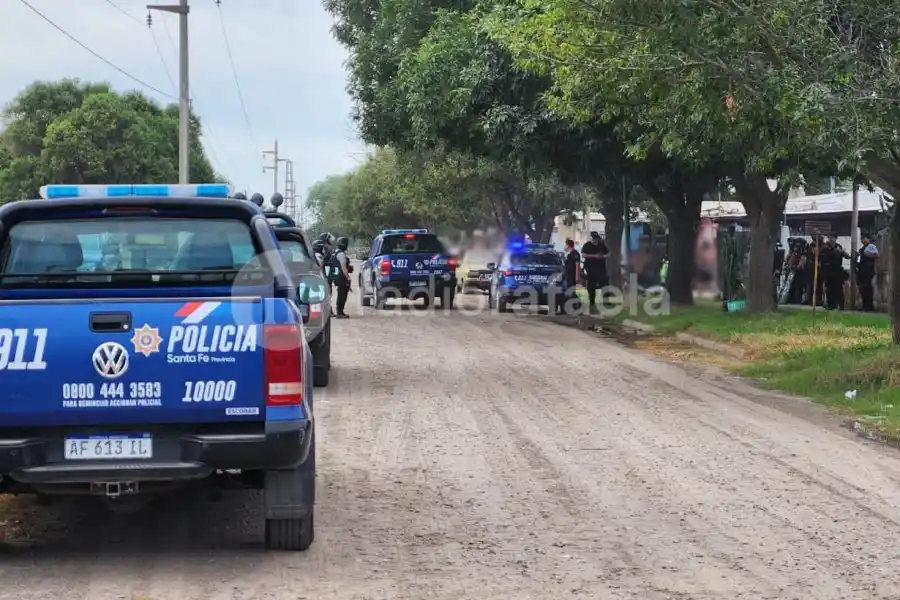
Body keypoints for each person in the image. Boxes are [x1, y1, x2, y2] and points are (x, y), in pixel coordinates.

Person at [580, 231, 609, 311]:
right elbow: (583, 254)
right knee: (591, 286)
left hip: (601, 268)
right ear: (591, 238)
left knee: (604, 284)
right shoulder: (587, 245)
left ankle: (606, 301)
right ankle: (592, 301)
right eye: (593, 238)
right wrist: (594, 256)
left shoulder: (601, 245)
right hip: (590, 269)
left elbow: (608, 254)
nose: (594, 240)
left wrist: (603, 256)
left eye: (596, 238)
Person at [857, 233, 879, 311]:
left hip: (868, 271)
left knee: (868, 288)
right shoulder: (861, 249)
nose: (862, 240)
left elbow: (876, 255)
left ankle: (869, 306)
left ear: (868, 239)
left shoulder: (871, 246)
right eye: (861, 238)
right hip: (861, 271)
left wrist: (867, 254)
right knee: (862, 288)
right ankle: (864, 305)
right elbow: (859, 259)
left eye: (864, 238)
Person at [560, 238, 582, 315]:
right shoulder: (569, 255)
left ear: (568, 245)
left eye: (565, 245)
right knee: (569, 293)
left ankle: (577, 308)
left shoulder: (575, 254)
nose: (564, 246)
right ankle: (567, 309)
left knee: (571, 292)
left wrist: (577, 277)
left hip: (572, 277)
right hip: (568, 276)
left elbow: (577, 265)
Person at [333, 237, 352, 318]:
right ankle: (340, 313)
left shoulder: (335, 252)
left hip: (337, 276)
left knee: (341, 293)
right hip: (341, 277)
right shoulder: (341, 254)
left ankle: (340, 312)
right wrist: (348, 278)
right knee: (342, 294)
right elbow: (344, 268)